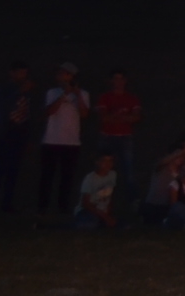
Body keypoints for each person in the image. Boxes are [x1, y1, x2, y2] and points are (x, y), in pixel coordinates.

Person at [35, 63, 90, 215]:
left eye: (63, 74)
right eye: (58, 74)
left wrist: (76, 94)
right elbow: (50, 111)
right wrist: (63, 95)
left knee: (67, 176)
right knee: (47, 175)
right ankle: (43, 205)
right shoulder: (52, 92)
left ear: (71, 76)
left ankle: (63, 205)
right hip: (51, 140)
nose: (59, 77)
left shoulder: (83, 94)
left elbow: (84, 114)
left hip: (71, 142)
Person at [0, 62, 35, 213]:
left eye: (25, 73)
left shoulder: (27, 92)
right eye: (20, 73)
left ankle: (7, 203)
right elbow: (4, 106)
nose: (23, 76)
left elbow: (26, 114)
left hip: (19, 134)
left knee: (13, 171)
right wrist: (19, 91)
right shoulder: (4, 89)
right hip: (5, 133)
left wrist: (27, 137)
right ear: (12, 73)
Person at [92, 70, 141, 208]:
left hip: (125, 137)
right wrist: (124, 117)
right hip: (107, 136)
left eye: (121, 79)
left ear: (125, 81)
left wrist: (115, 117)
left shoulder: (132, 98)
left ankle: (132, 201)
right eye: (115, 79)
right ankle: (99, 199)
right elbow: (103, 118)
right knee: (103, 169)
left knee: (128, 170)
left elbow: (136, 117)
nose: (118, 82)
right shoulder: (105, 97)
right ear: (111, 81)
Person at [73, 153, 119, 230]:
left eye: (110, 161)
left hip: (103, 209)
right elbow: (86, 203)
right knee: (91, 223)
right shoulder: (90, 179)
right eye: (104, 161)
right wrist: (105, 216)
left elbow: (110, 196)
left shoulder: (112, 175)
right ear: (97, 162)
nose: (108, 164)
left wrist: (108, 212)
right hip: (88, 210)